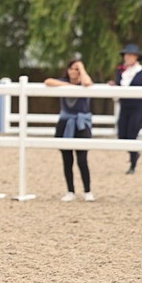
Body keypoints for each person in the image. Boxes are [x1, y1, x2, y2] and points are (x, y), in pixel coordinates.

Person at [44, 58, 94, 202]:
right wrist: (68, 85)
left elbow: (87, 83)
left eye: (77, 69)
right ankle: (70, 190)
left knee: (82, 159)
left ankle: (87, 190)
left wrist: (81, 68)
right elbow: (48, 81)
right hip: (65, 123)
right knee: (67, 159)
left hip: (81, 124)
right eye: (71, 68)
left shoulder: (84, 83)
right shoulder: (62, 83)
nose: (74, 71)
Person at [109, 43, 142, 174]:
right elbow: (119, 86)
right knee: (122, 135)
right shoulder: (120, 71)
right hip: (124, 106)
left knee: (131, 135)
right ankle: (135, 154)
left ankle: (133, 165)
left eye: (130, 55)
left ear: (136, 57)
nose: (127, 57)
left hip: (137, 107)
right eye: (126, 55)